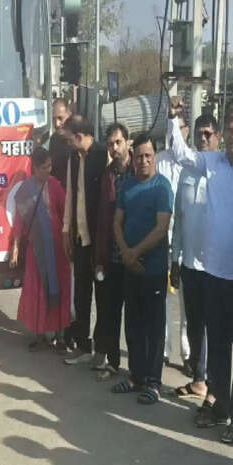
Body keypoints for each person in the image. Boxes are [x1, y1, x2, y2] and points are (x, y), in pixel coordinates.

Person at [167, 106, 233, 444]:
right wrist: (173, 120)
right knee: (216, 348)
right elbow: (181, 154)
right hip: (213, 273)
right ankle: (220, 406)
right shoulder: (211, 162)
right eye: (230, 129)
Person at [109, 134, 174, 405]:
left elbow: (161, 228)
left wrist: (134, 253)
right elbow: (117, 222)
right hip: (130, 268)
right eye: (139, 156)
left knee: (154, 328)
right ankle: (136, 376)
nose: (143, 161)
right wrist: (125, 253)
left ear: (154, 156)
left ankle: (153, 382)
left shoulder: (162, 187)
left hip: (153, 269)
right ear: (133, 158)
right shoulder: (127, 186)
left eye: (148, 156)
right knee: (133, 324)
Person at [170, 114, 220, 401]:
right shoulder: (187, 172)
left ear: (217, 137)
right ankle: (199, 379)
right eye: (199, 134)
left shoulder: (223, 171)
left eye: (208, 134)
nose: (203, 139)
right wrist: (175, 259)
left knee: (215, 327)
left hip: (215, 266)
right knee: (195, 324)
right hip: (189, 264)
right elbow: (179, 219)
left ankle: (215, 386)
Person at [9, 147, 72, 349]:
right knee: (37, 290)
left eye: (49, 166)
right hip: (36, 249)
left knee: (58, 287)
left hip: (57, 249)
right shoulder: (25, 191)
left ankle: (60, 336)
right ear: (35, 168)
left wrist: (68, 240)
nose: (48, 170)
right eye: (44, 167)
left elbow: (66, 213)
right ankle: (39, 334)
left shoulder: (55, 185)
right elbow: (19, 221)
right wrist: (15, 246)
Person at [61, 119, 109, 364]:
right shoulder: (73, 158)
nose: (68, 144)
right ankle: (82, 345)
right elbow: (71, 194)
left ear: (79, 136)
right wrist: (66, 230)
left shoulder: (102, 155)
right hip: (80, 237)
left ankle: (101, 351)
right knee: (81, 295)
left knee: (102, 297)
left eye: (69, 139)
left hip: (99, 240)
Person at [90, 123, 133, 378]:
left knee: (136, 317)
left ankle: (138, 370)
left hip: (136, 256)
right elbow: (102, 219)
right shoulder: (108, 176)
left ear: (127, 142)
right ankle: (113, 362)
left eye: (118, 142)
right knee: (111, 313)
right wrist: (99, 259)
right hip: (113, 257)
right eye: (110, 144)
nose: (115, 148)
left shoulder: (139, 170)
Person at [155, 99, 190, 370]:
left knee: (188, 302)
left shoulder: (194, 162)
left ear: (185, 131)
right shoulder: (159, 161)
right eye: (170, 127)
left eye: (178, 127)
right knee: (163, 300)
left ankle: (188, 354)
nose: (173, 132)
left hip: (188, 242)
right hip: (163, 239)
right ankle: (163, 350)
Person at [49, 98, 73, 186]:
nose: (56, 124)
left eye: (60, 118)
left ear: (69, 115)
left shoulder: (79, 139)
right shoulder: (54, 139)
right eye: (54, 119)